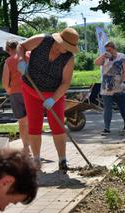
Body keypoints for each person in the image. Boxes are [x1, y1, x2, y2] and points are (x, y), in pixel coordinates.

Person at [16, 28, 79, 171]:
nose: (67, 50)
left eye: (70, 48)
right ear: (58, 41)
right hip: (31, 89)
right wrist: (20, 60)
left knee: (58, 125)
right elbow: (21, 46)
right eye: (66, 46)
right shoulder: (42, 40)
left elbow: (65, 83)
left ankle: (62, 160)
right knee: (34, 124)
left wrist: (53, 99)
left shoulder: (68, 58)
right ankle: (36, 159)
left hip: (53, 94)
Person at [94, 41, 125, 135]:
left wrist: (124, 82)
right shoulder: (105, 57)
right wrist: (103, 55)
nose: (107, 51)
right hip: (106, 87)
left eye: (109, 50)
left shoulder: (122, 57)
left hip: (119, 86)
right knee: (107, 107)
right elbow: (96, 63)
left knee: (122, 107)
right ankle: (107, 128)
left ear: (114, 49)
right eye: (106, 50)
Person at [2, 39, 30, 155]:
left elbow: (4, 82)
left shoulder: (8, 61)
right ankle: (35, 148)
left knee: (22, 123)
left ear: (8, 49)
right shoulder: (28, 56)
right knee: (32, 122)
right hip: (30, 92)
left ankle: (26, 148)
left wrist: (9, 90)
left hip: (16, 94)